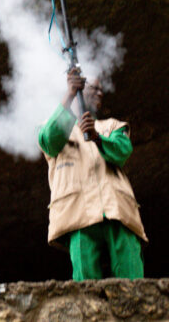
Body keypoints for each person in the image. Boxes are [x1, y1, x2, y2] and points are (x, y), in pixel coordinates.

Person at [38, 70, 146, 280]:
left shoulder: (112, 126)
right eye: (94, 88)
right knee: (86, 279)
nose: (100, 93)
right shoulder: (55, 126)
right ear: (79, 87)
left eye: (101, 89)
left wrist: (97, 138)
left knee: (132, 276)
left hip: (117, 211)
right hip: (79, 214)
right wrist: (69, 95)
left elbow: (122, 151)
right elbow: (49, 142)